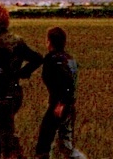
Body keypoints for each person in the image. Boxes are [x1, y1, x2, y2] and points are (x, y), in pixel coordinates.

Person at [0, 4, 44, 159]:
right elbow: (37, 58)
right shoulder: (18, 41)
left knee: (3, 142)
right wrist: (21, 73)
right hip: (15, 92)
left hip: (1, 96)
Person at [34, 27, 86, 159]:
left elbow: (65, 81)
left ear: (50, 42)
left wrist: (61, 102)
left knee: (44, 143)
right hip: (69, 106)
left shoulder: (52, 59)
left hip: (58, 105)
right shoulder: (70, 59)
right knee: (65, 145)